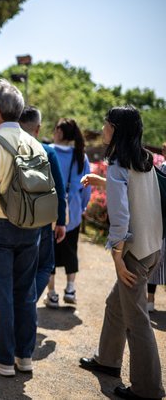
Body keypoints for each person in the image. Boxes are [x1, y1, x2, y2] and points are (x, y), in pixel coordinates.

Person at [79, 106, 164, 400]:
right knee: (116, 305)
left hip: (133, 252)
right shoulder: (144, 159)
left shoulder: (117, 162)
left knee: (136, 319)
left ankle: (148, 389)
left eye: (106, 123)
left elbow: (121, 212)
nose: (103, 128)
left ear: (115, 128)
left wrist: (117, 254)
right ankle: (107, 360)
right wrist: (104, 182)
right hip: (153, 247)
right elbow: (135, 193)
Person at [0, 80, 47, 376]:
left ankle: (3, 359)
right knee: (25, 291)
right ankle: (24, 356)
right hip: (32, 227)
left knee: (1, 292)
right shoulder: (36, 144)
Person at [18, 106, 67, 302]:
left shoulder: (8, 148)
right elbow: (59, 191)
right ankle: (27, 303)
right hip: (41, 220)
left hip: (12, 216)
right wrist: (61, 221)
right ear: (38, 128)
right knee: (45, 266)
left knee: (18, 268)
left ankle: (19, 304)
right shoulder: (47, 152)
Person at [44, 118, 91, 308]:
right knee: (71, 250)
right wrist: (82, 207)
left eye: (55, 128)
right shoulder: (81, 156)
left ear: (60, 132)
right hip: (73, 209)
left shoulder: (48, 151)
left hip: (50, 209)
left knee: (50, 252)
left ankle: (52, 294)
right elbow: (86, 188)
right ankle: (70, 289)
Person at [147, 141, 166, 312]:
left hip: (161, 222)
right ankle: (150, 300)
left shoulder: (161, 169)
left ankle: (151, 301)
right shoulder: (161, 169)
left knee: (157, 263)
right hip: (161, 223)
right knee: (157, 262)